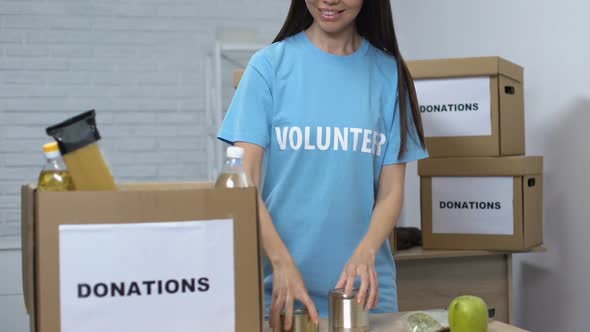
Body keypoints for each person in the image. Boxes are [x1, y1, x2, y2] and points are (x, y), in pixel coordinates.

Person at [217, 0, 428, 330]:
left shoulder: (389, 76)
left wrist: (367, 252)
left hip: (364, 296)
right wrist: (281, 263)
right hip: (284, 292)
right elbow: (244, 184)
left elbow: (391, 192)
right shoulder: (268, 67)